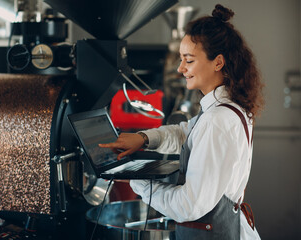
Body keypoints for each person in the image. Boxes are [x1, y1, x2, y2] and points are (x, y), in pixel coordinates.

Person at [99, 4, 264, 240]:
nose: (180, 68)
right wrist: (144, 138)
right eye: (181, 59)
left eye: (189, 60)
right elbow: (185, 132)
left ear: (218, 62)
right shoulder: (227, 109)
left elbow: (189, 206)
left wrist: (139, 183)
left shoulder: (217, 121)